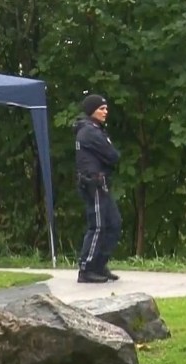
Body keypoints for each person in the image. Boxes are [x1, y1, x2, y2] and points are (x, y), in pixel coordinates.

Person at [74, 93, 122, 283]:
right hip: (93, 183)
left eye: (106, 109)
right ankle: (86, 268)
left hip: (100, 183)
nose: (105, 112)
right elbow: (113, 156)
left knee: (114, 223)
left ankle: (100, 264)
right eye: (102, 109)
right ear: (91, 110)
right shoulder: (90, 132)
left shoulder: (95, 129)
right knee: (98, 226)